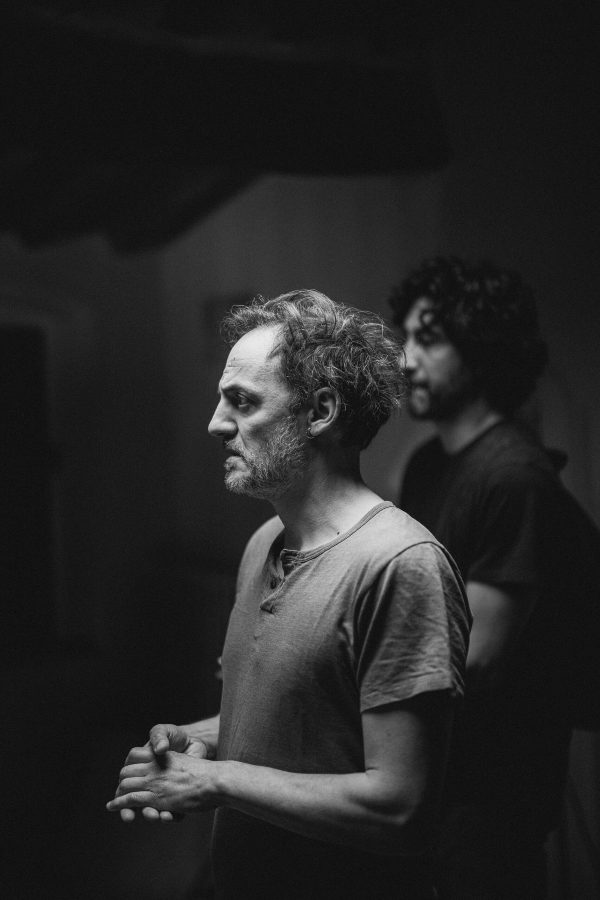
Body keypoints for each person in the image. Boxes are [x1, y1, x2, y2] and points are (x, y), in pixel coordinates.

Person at [107, 289, 470, 899]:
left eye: (243, 401)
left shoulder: (400, 565)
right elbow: (303, 721)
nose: (216, 423)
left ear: (320, 410)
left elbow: (400, 807)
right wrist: (202, 739)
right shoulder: (262, 544)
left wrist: (216, 781)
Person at [388, 256, 590, 899]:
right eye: (406, 336)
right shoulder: (427, 464)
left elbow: (475, 659)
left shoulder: (515, 477)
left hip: (494, 796)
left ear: (480, 349)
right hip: (432, 777)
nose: (405, 359)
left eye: (429, 339)